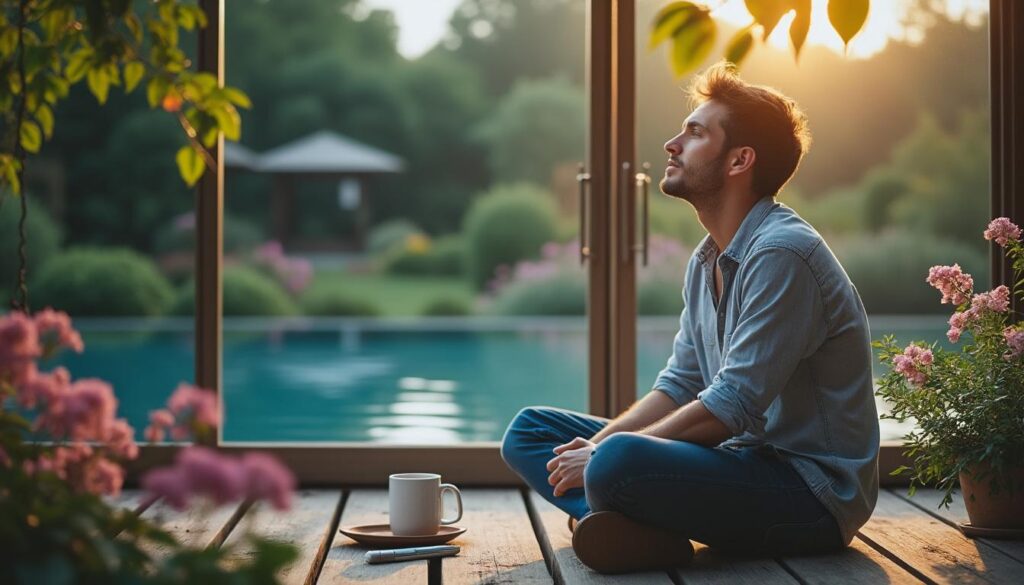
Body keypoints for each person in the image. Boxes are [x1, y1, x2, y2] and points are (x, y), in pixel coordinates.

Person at [500, 61, 879, 575]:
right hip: (737, 463)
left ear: (739, 160)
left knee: (614, 460)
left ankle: (614, 514)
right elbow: (681, 383)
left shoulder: (784, 253)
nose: (671, 144)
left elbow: (733, 404)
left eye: (695, 133)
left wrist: (603, 455)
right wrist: (594, 447)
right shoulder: (707, 260)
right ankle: (627, 524)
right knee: (530, 431)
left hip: (808, 496)